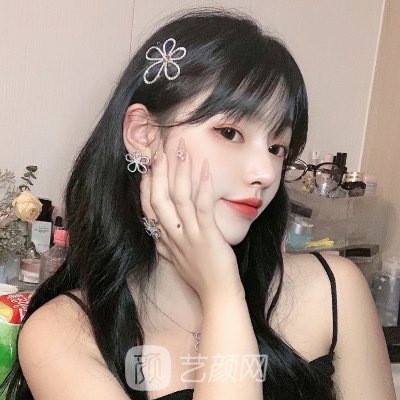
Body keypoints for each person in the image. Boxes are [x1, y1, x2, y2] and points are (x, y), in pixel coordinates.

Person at [0, 8, 395, 400]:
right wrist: (223, 298)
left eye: (277, 147)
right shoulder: (64, 334)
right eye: (230, 132)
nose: (265, 172)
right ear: (143, 133)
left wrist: (222, 291)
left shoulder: (334, 290)